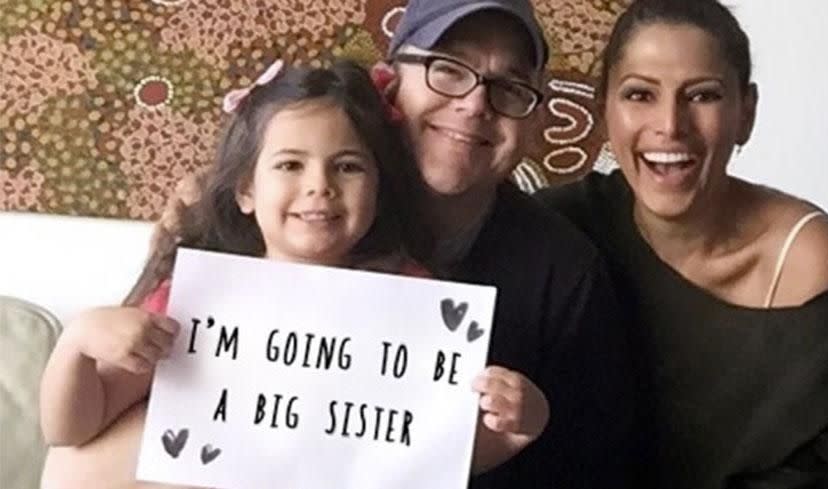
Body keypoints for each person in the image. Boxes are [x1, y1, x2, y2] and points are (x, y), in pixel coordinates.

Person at [40, 60, 552, 487]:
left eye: (348, 166)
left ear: (379, 187)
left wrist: (519, 426)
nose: (320, 186)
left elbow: (434, 457)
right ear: (244, 190)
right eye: (289, 165)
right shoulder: (197, 303)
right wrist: (77, 345)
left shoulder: (415, 302)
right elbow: (73, 430)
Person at [537, 0, 828, 488]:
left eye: (702, 95)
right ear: (602, 109)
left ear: (745, 113)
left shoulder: (806, 260)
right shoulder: (561, 226)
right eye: (639, 94)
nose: (670, 125)